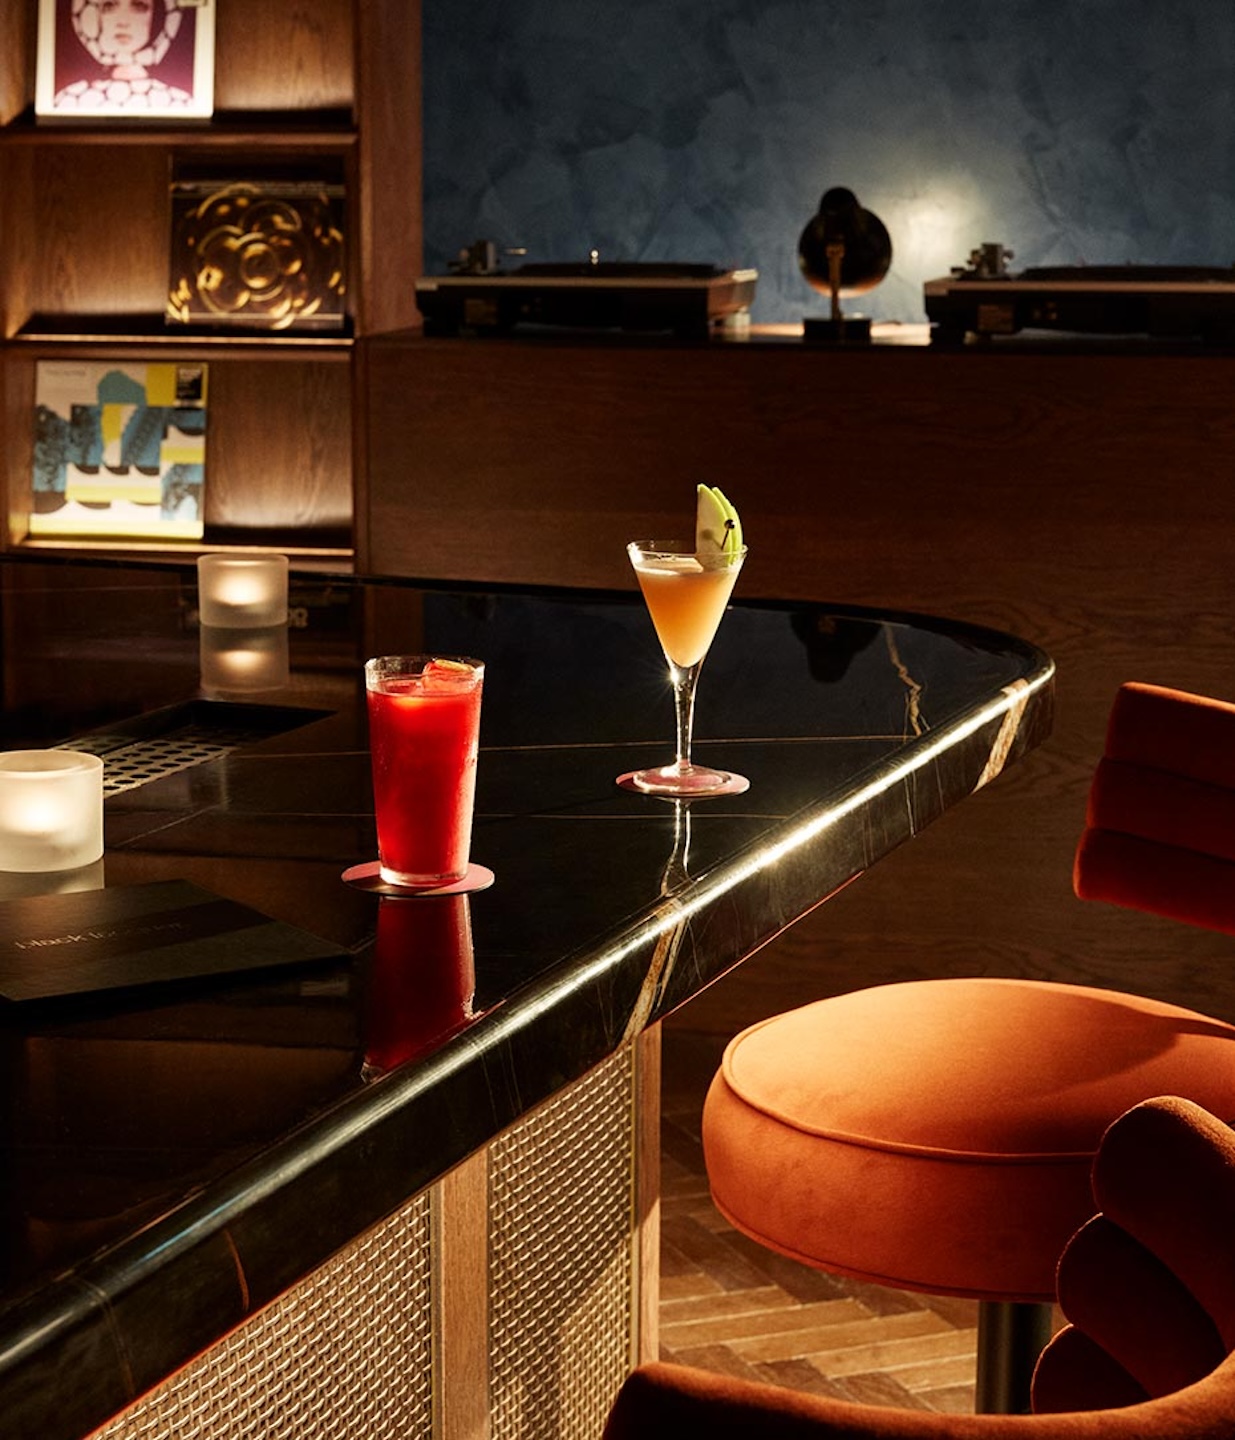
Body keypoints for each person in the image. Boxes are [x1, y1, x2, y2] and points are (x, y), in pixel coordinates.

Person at [53, 0, 195, 113]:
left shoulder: (181, 101)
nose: (123, 22)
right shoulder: (69, 99)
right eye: (109, 6)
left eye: (139, 6)